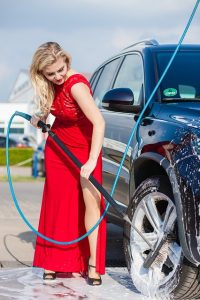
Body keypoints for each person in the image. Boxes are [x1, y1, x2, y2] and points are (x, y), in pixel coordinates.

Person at [29, 42, 106, 286]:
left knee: (90, 204)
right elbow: (52, 111)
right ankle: (54, 260)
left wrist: (92, 160)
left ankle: (93, 263)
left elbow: (99, 123)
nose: (58, 76)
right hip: (59, 148)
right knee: (59, 206)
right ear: (42, 73)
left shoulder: (77, 85)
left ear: (67, 61)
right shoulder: (50, 85)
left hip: (85, 148)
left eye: (61, 70)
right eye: (51, 73)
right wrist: (39, 118)